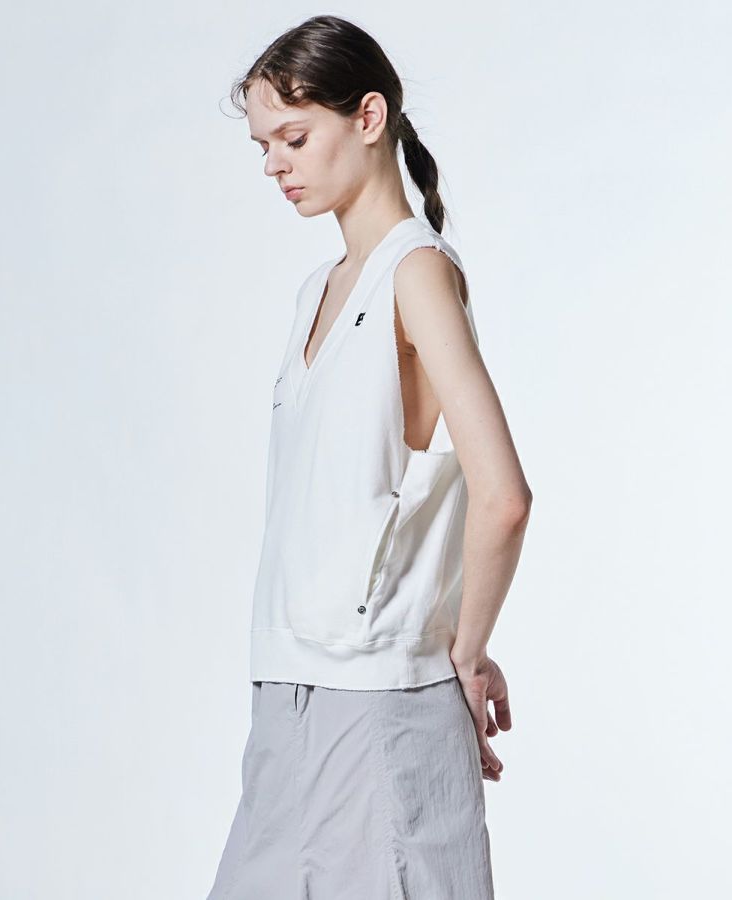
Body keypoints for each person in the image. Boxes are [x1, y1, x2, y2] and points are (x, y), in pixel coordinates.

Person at [207, 14, 533, 900]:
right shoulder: (316, 291)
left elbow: (503, 495)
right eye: (264, 145)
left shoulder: (416, 273)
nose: (273, 164)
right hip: (287, 698)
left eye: (293, 137)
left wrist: (463, 653)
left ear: (369, 116)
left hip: (378, 713)